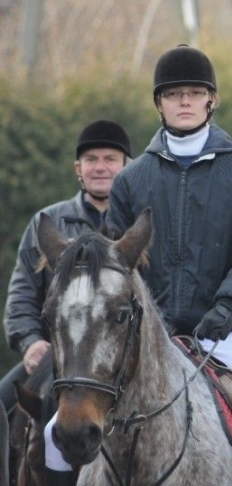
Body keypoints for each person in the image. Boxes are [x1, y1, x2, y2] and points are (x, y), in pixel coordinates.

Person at [40, 45, 232, 486]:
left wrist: (227, 306)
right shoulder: (131, 180)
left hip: (227, 332)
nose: (184, 101)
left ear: (211, 99)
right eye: (173, 94)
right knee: (56, 434)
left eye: (194, 92)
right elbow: (118, 264)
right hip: (148, 338)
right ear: (159, 103)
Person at [1, 120, 131, 419]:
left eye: (110, 159)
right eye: (91, 160)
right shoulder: (46, 222)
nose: (100, 167)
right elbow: (22, 296)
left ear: (127, 167)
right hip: (57, 358)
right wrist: (31, 342)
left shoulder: (138, 228)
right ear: (78, 169)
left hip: (122, 359)